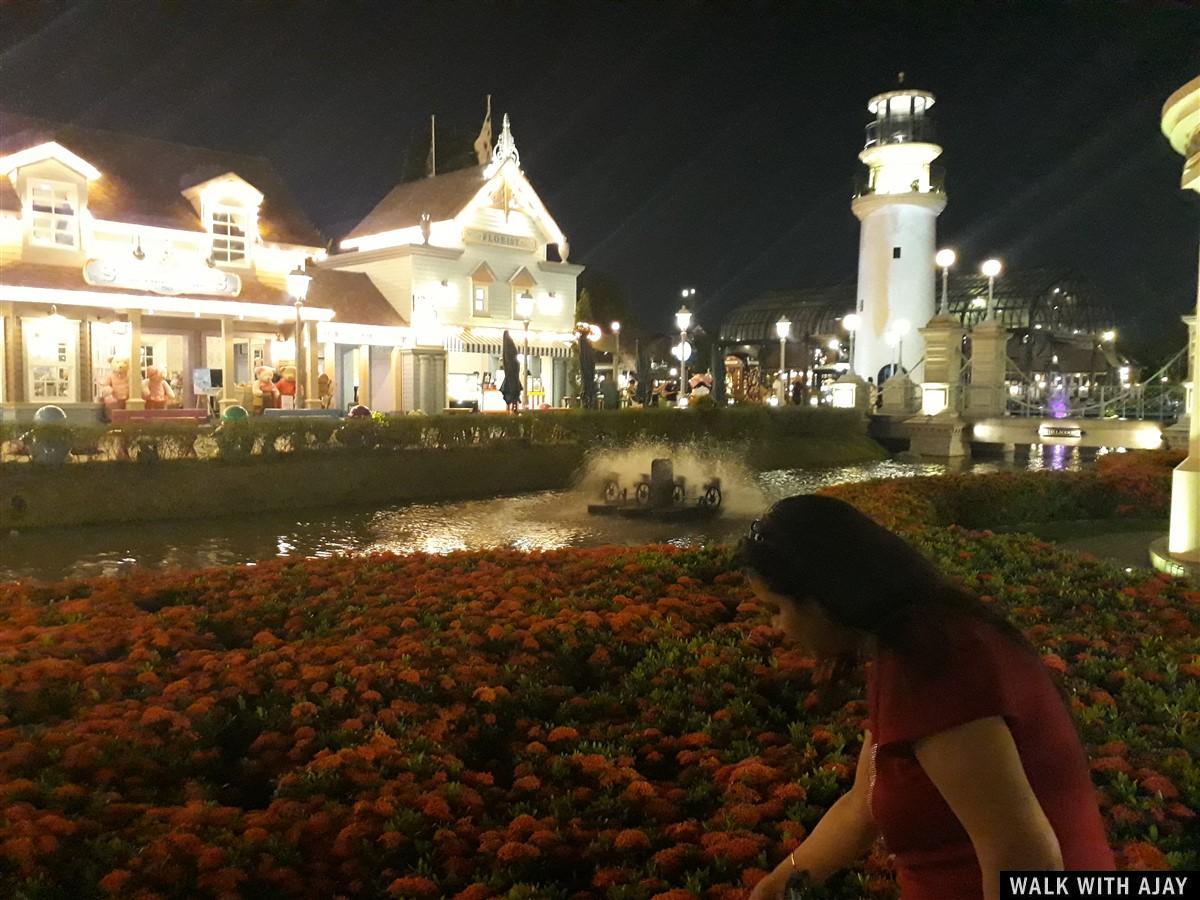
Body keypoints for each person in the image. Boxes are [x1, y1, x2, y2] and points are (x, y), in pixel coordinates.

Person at [742, 496, 1113, 900]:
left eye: (775, 608)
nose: (775, 627)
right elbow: (860, 808)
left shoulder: (933, 665)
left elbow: (1022, 853)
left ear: (822, 597)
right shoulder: (912, 643)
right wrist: (776, 887)